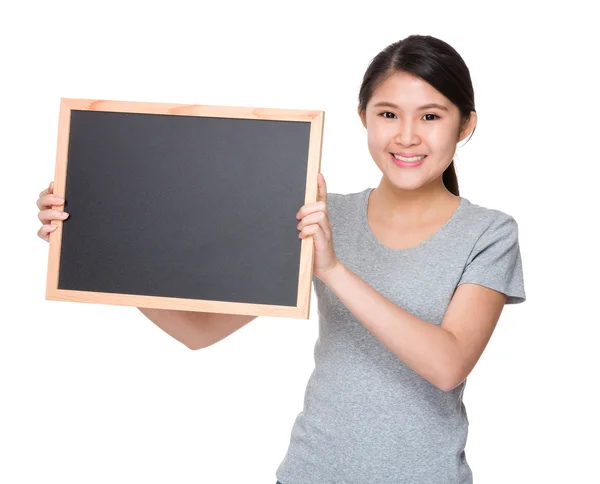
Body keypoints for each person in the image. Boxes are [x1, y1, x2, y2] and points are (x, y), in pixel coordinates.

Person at [37, 34, 526, 484]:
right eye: (388, 113)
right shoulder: (321, 216)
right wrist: (94, 243)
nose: (406, 136)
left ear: (466, 125)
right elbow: (198, 332)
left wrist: (332, 269)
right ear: (363, 117)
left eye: (431, 116)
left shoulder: (488, 232)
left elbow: (448, 363)